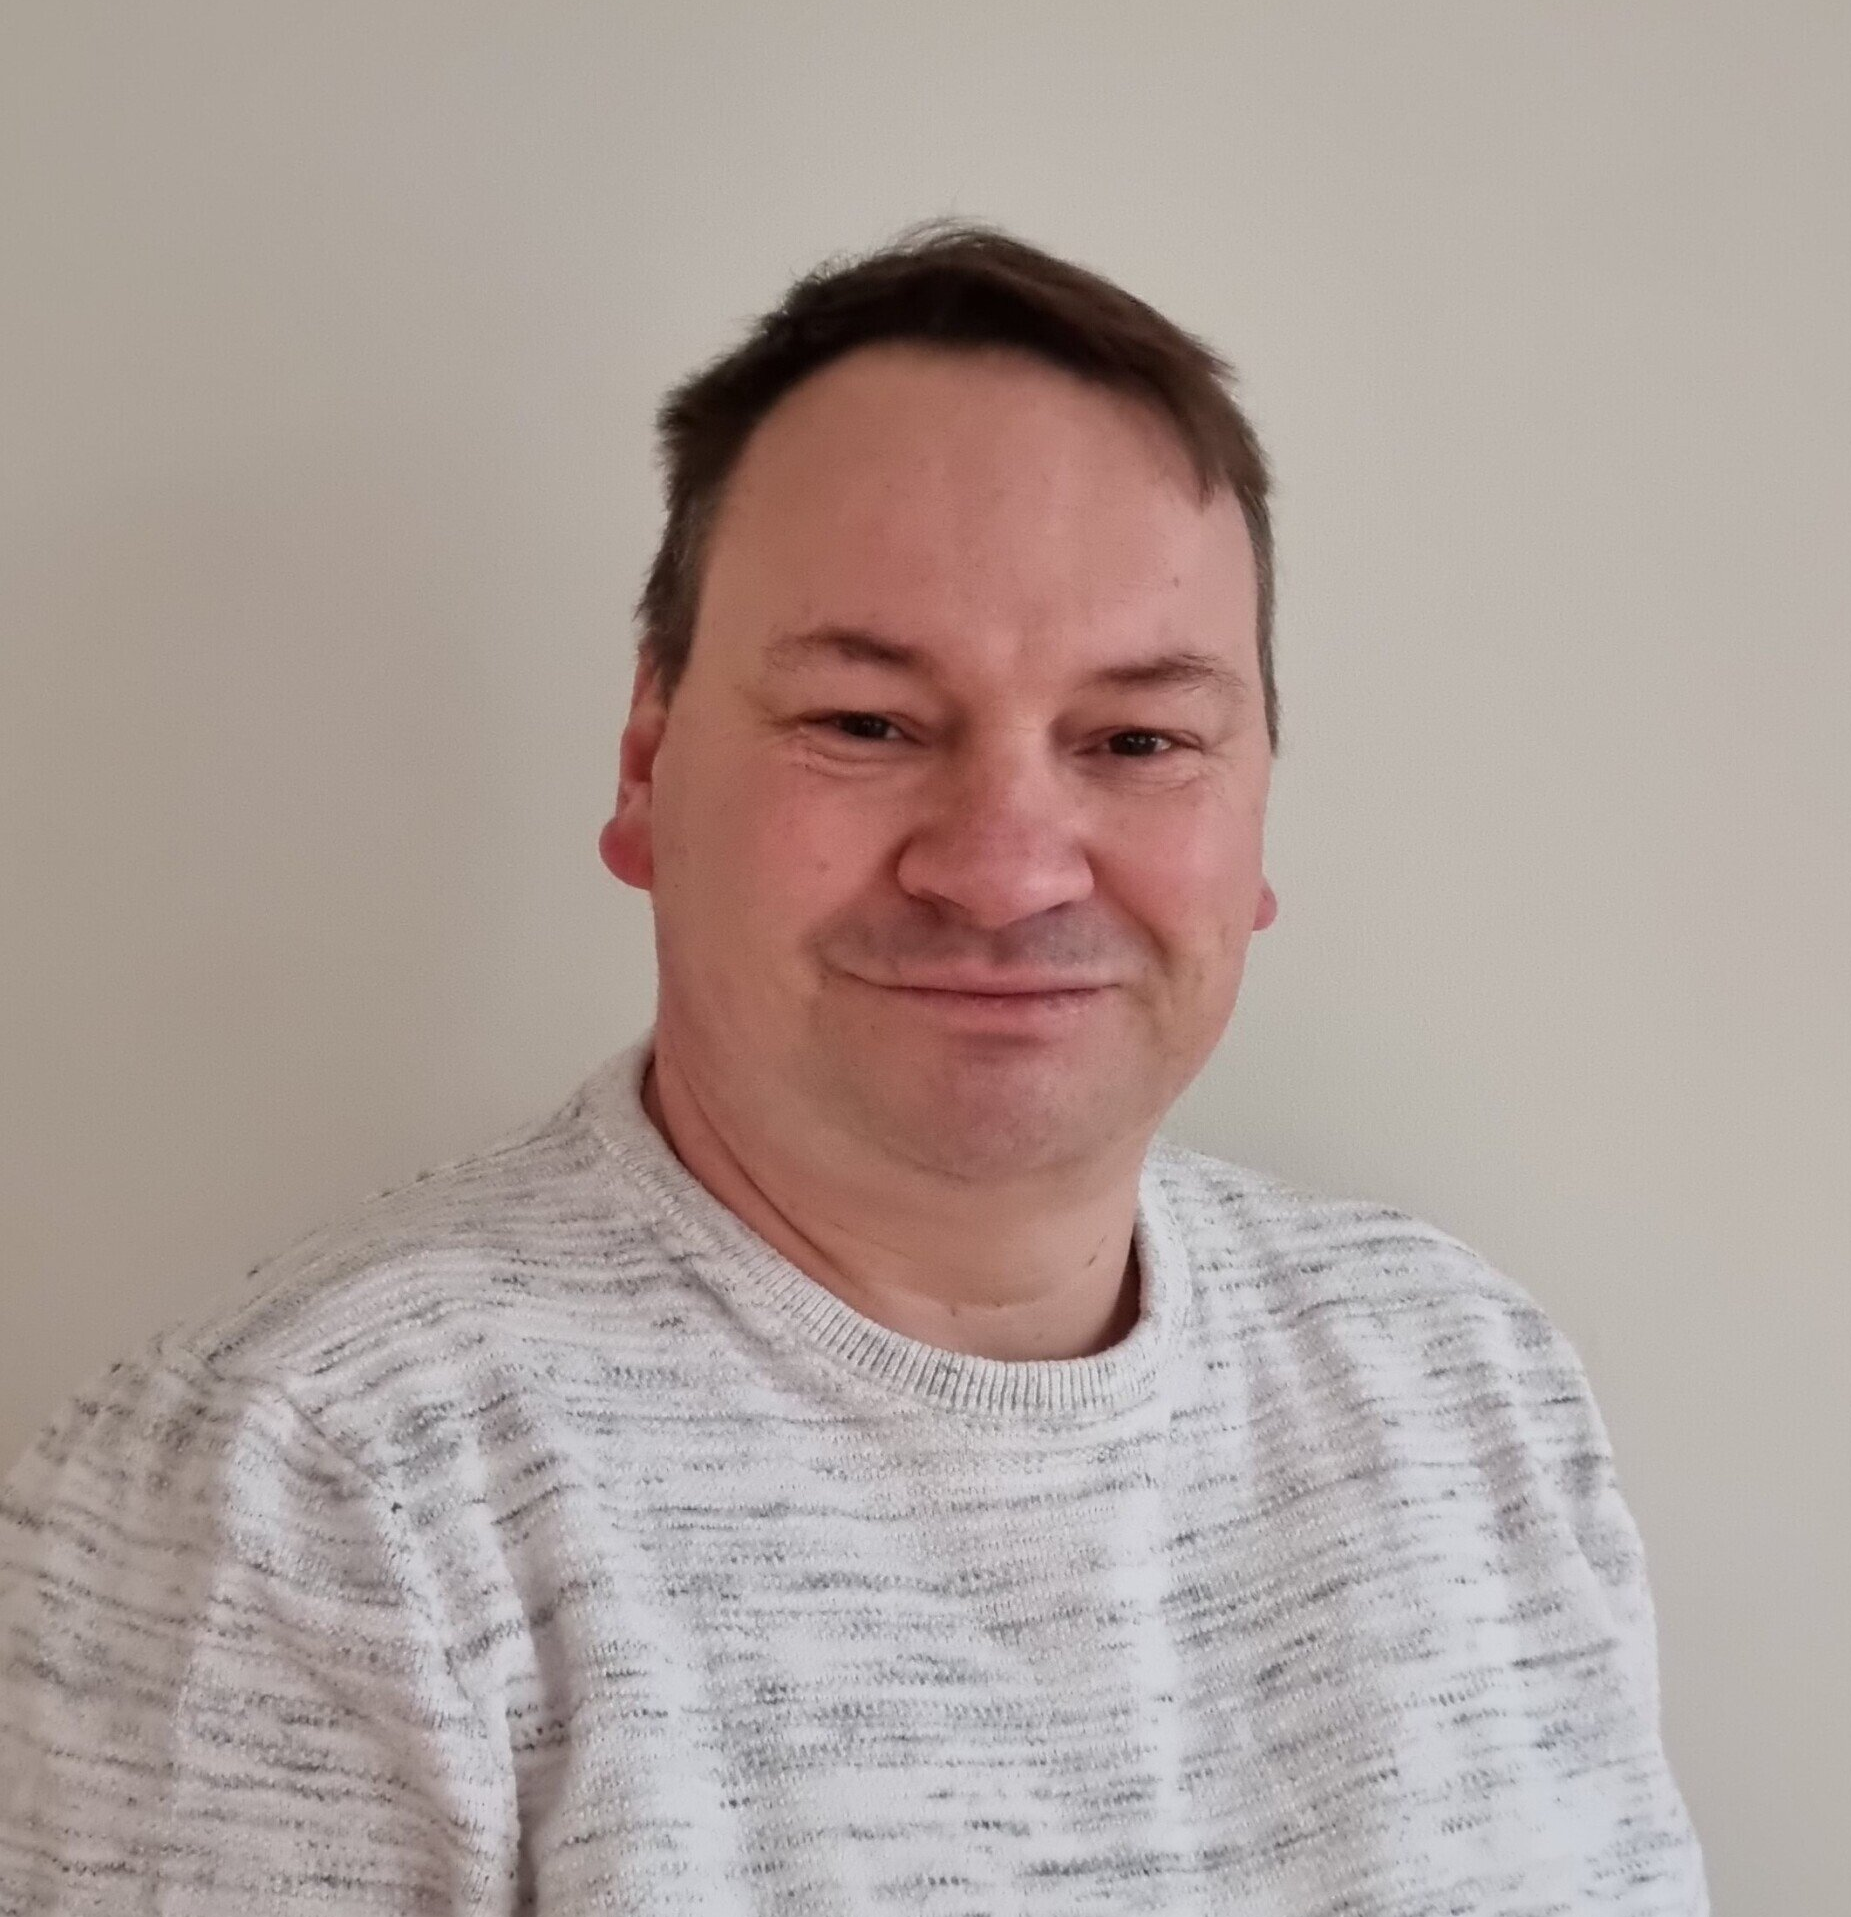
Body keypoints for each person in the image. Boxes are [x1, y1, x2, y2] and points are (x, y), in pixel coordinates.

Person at [0, 223, 1710, 1914]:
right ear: (648, 767)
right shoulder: (313, 1491)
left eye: (1138, 740)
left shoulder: (1460, 1381)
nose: (1005, 869)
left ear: (1256, 811)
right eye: (868, 724)